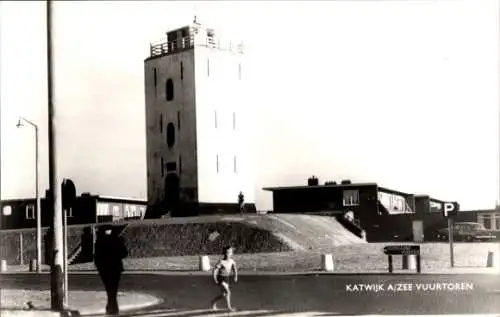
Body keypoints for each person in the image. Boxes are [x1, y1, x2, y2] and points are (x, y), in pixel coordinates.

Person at [94, 225, 128, 315]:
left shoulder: (100, 241)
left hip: (104, 269)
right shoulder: (116, 240)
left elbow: (96, 257)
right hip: (115, 267)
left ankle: (111, 306)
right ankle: (112, 307)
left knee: (109, 288)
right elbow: (124, 253)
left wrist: (99, 266)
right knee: (113, 288)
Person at [211, 246, 238, 312]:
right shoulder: (221, 261)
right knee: (228, 292)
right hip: (221, 278)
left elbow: (235, 269)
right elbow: (214, 270)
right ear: (224, 253)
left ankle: (213, 302)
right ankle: (229, 308)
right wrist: (215, 279)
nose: (228, 254)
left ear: (232, 253)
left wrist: (235, 276)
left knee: (223, 294)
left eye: (229, 252)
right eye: (226, 252)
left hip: (227, 278)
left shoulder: (232, 261)